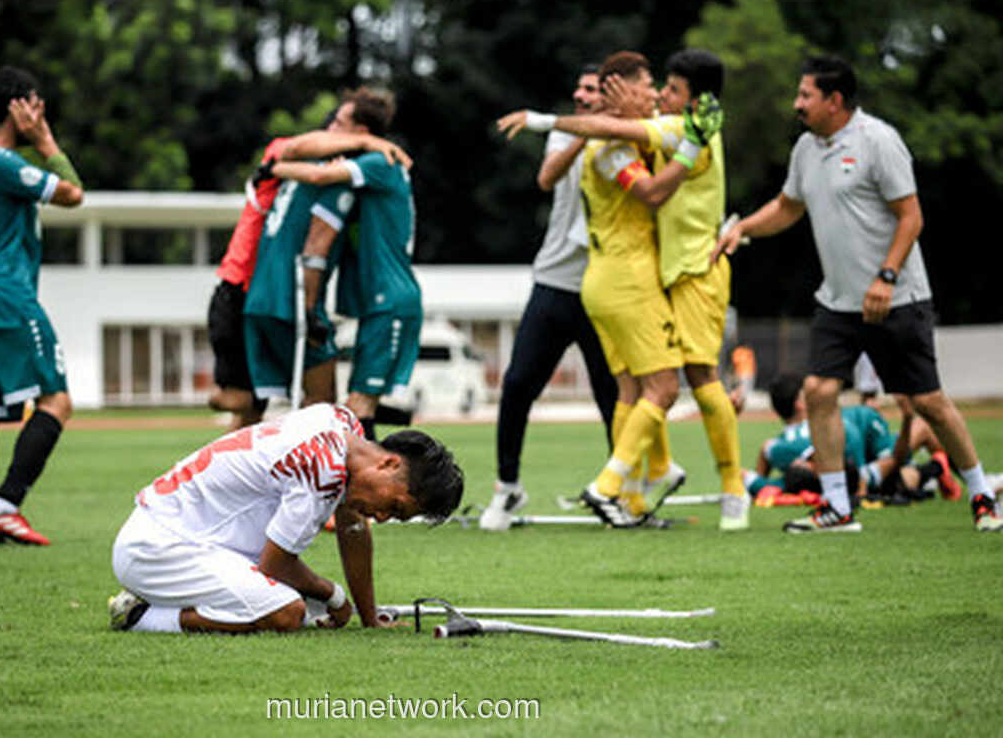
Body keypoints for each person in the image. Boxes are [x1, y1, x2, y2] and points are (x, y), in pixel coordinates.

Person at [713, 55, 1002, 532]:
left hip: (898, 297)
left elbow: (911, 216)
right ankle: (837, 508)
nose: (796, 103)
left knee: (927, 401)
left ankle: (982, 495)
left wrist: (885, 278)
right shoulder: (806, 148)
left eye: (806, 95)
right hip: (838, 301)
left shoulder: (878, 141)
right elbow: (788, 206)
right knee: (819, 390)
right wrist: (742, 228)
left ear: (835, 100)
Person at [507, 49, 748, 530]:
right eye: (651, 85)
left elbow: (636, 127)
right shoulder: (652, 137)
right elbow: (647, 181)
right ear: (622, 92)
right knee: (673, 383)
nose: (658, 94)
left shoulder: (680, 124)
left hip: (652, 272)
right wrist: (557, 119)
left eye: (668, 87)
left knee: (634, 388)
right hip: (634, 276)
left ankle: (643, 493)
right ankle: (620, 485)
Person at [107, 403, 463, 633]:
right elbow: (276, 565)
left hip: (182, 532)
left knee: (309, 606)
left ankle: (168, 597)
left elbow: (352, 529)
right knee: (288, 613)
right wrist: (336, 596)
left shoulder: (342, 423)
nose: (383, 518)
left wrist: (369, 618)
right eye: (395, 507)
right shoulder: (322, 470)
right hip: (161, 544)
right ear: (389, 463)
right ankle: (143, 615)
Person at [473, 66, 619, 531]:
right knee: (517, 385)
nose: (579, 94)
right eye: (578, 87)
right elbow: (546, 177)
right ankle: (507, 487)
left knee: (611, 395)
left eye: (591, 90)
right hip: (554, 282)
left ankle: (619, 491)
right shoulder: (564, 134)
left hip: (604, 287)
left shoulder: (630, 139)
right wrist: (584, 130)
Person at [207, 117, 412, 429]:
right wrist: (368, 143)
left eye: (339, 125)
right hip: (249, 289)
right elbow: (317, 232)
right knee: (316, 404)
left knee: (253, 412)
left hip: (255, 293)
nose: (329, 133)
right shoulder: (291, 157)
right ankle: (338, 466)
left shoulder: (309, 173)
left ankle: (227, 475)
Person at [0, 66, 84, 545]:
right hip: (9, 297)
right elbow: (73, 194)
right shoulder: (0, 164)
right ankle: (5, 505)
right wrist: (47, 141)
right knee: (57, 400)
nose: (40, 111)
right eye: (34, 103)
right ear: (15, 108)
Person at [269, 88, 423, 443]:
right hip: (378, 303)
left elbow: (319, 176)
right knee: (354, 408)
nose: (329, 130)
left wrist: (275, 167)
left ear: (362, 132)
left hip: (392, 301)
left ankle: (374, 494)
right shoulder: (371, 161)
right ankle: (373, 476)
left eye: (339, 123)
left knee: (357, 408)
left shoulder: (379, 163)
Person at [754, 372, 962, 503]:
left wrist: (763, 485)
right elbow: (849, 433)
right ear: (801, 403)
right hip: (861, 445)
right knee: (919, 436)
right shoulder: (817, 430)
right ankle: (947, 470)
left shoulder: (779, 446)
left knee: (891, 473)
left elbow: (765, 453)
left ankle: (941, 471)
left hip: (865, 436)